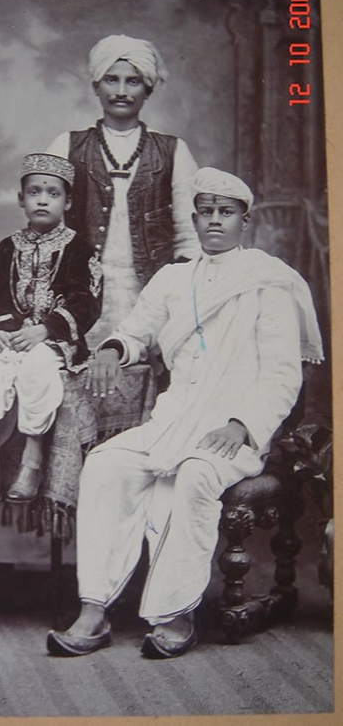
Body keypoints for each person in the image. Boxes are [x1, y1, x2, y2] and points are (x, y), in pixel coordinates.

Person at [46, 167, 323, 659]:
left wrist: (243, 424)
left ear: (245, 220)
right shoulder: (173, 279)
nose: (215, 221)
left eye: (226, 212)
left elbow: (282, 376)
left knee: (194, 474)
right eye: (206, 213)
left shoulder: (269, 283)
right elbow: (135, 331)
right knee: (106, 464)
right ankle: (94, 609)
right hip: (171, 423)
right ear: (194, 219)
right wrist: (112, 349)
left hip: (234, 433)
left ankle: (175, 614)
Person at [0, 153, 102, 508]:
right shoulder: (7, 248)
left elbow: (86, 302)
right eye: (35, 192)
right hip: (12, 337)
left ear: (68, 201)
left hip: (54, 341)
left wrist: (46, 330)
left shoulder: (79, 249)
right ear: (21, 199)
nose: (43, 199)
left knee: (37, 367)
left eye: (53, 193)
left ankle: (32, 457)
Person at [47, 34, 200, 342]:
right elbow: (45, 229)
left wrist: (179, 300)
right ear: (95, 86)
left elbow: (189, 237)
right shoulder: (66, 146)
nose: (120, 91)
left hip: (152, 301)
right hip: (78, 300)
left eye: (132, 82)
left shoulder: (173, 152)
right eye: (111, 80)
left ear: (148, 88)